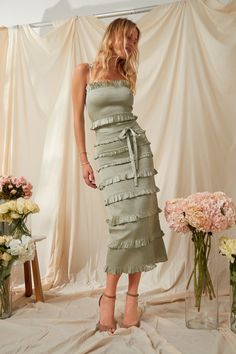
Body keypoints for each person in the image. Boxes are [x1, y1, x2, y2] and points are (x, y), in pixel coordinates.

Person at [72, 18, 168, 334]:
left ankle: (132, 299)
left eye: (135, 40)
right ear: (114, 35)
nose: (131, 44)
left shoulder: (128, 75)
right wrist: (84, 161)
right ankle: (108, 298)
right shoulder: (84, 71)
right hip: (109, 156)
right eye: (127, 37)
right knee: (122, 227)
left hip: (137, 150)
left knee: (141, 222)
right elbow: (76, 121)